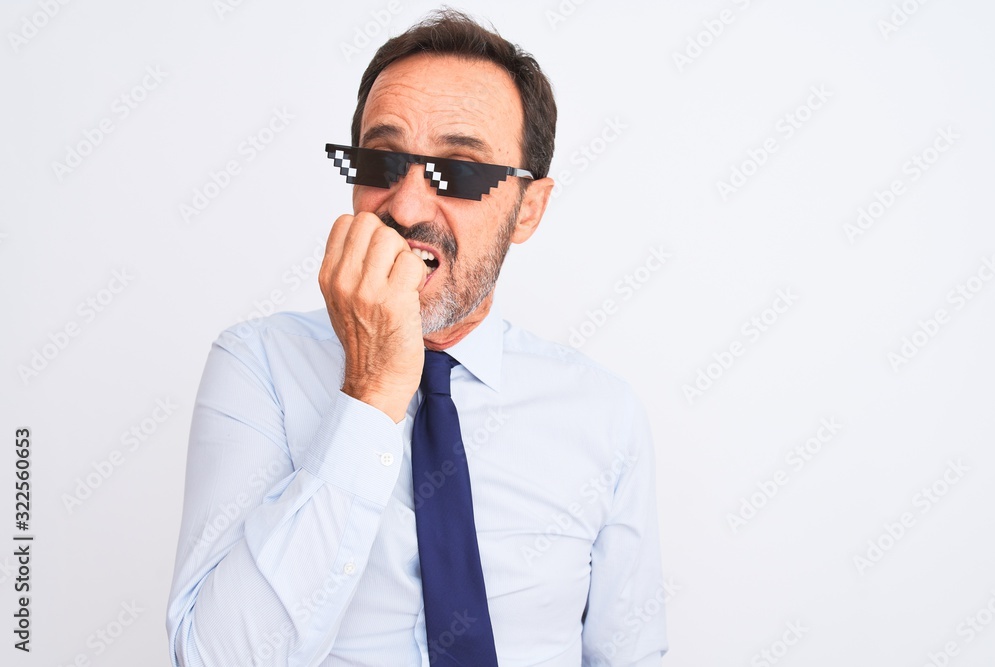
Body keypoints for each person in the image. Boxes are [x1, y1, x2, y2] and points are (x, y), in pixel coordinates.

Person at [167, 9, 668, 666]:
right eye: (381, 160)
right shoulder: (258, 365)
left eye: (458, 169)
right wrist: (371, 389)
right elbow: (214, 658)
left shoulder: (603, 414)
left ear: (529, 209)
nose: (404, 208)